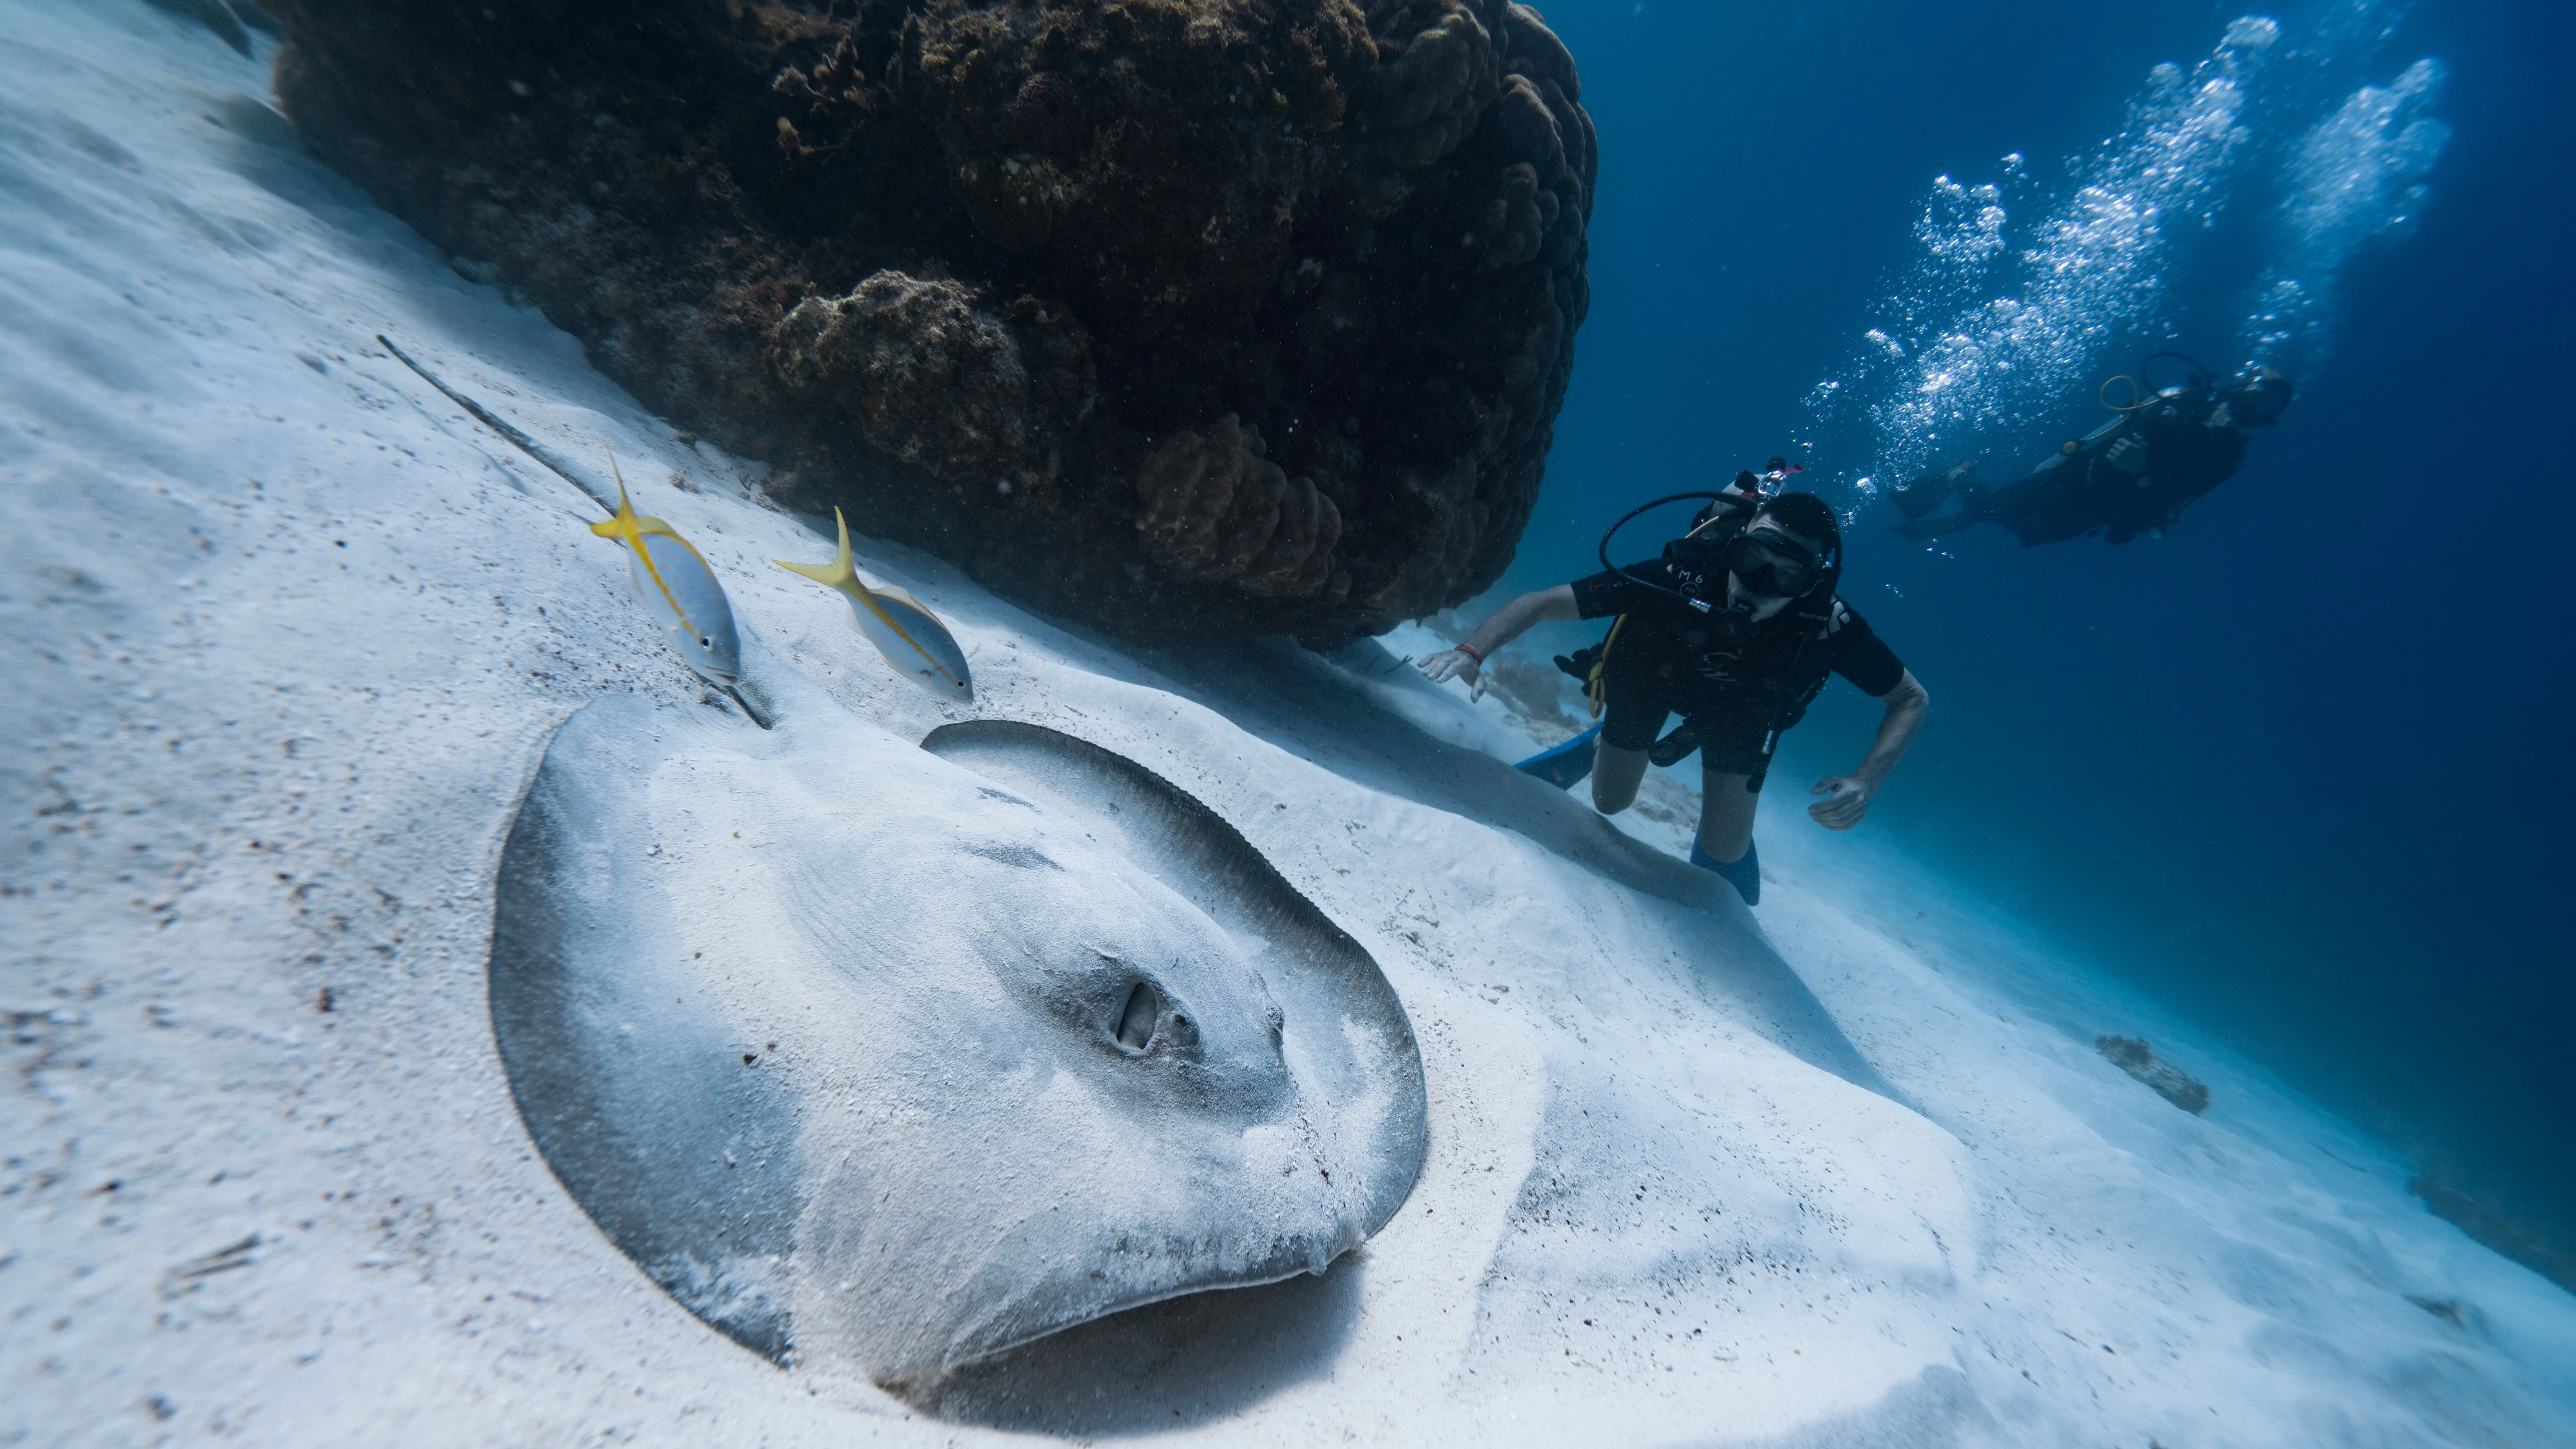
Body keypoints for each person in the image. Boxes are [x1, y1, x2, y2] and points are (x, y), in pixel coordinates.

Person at [1419, 490, 1929, 905]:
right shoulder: (1681, 575)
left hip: (1742, 709)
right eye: (1752, 558)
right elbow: (1544, 603)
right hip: (1650, 678)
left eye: (1787, 574)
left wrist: (1867, 782)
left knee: (1725, 848)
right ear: (1737, 544)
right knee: (1611, 802)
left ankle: (1629, 755)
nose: (1759, 583)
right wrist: (1472, 650)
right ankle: (1604, 743)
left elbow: (1910, 698)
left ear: (1813, 583)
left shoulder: (1828, 625)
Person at [1890, 365, 2294, 546]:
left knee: (2028, 533)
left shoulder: (2227, 458)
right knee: (1990, 509)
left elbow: (2176, 502)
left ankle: (1952, 490)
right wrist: (2059, 458)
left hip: (2104, 508)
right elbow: (2108, 431)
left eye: (2264, 412)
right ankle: (1954, 482)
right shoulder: (2180, 403)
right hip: (2073, 477)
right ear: (2240, 389)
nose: (2250, 413)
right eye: (2253, 400)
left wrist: (2138, 476)